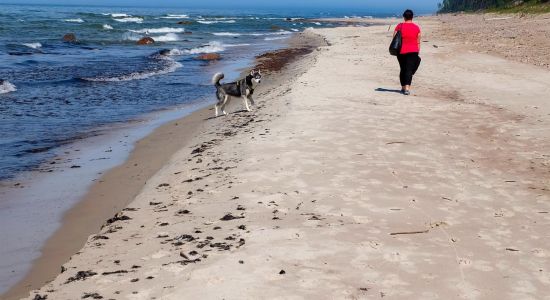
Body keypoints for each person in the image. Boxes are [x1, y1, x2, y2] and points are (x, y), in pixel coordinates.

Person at [394, 9, 421, 95]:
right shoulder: (417, 27)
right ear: (412, 17)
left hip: (401, 51)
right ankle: (407, 89)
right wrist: (418, 51)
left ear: (404, 17)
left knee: (403, 69)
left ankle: (403, 87)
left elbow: (394, 38)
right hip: (413, 51)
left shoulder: (399, 26)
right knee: (409, 69)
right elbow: (418, 41)